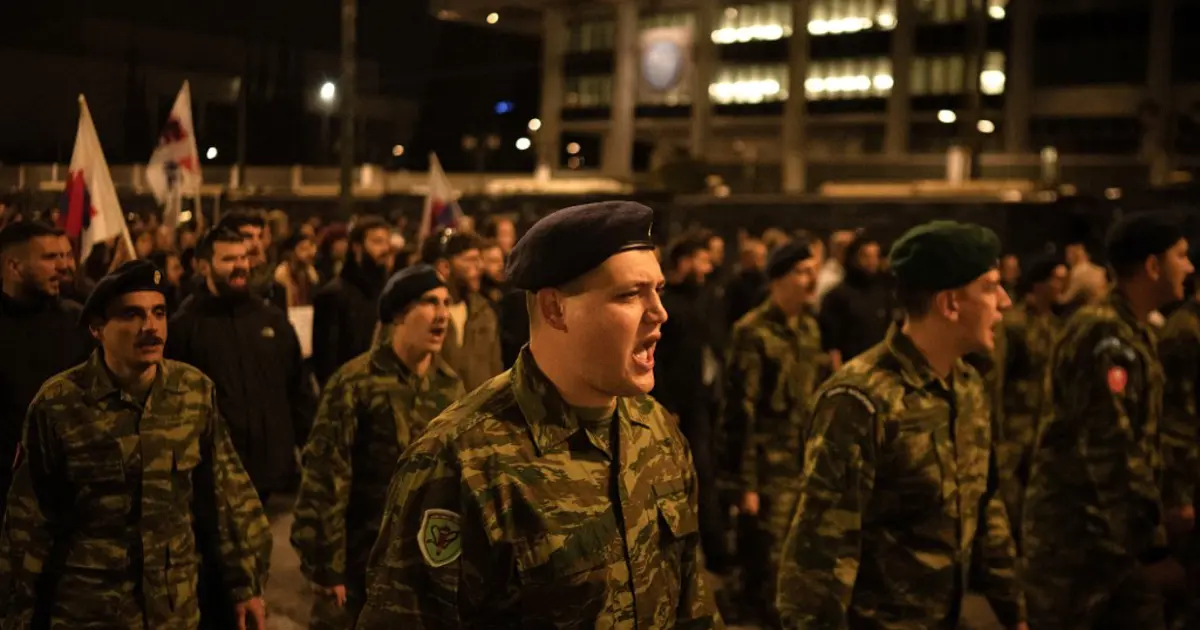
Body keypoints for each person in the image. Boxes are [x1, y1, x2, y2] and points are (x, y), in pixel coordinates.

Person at [355, 201, 722, 628]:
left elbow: (692, 602)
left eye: (657, 290)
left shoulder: (656, 430)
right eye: (629, 294)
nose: (659, 313)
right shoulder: (460, 461)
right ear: (555, 309)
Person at [776, 220, 1024, 630]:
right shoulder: (860, 399)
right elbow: (818, 556)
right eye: (990, 286)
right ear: (950, 304)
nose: (1005, 301)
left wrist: (1013, 612)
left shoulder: (966, 387)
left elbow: (985, 505)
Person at [0, 260, 270, 629]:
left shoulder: (193, 391)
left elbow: (224, 492)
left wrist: (245, 584)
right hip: (91, 610)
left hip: (174, 609)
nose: (151, 328)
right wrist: (15, 614)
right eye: (132, 314)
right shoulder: (59, 403)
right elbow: (28, 521)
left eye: (159, 313)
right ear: (97, 328)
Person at [1023, 214, 1194, 629]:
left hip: (1109, 539)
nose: (1189, 268)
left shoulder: (1132, 331)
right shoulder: (1104, 334)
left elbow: (1147, 436)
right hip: (1080, 547)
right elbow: (1111, 448)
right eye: (1181, 256)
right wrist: (1152, 548)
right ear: (1153, 266)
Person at [291, 264, 465, 629]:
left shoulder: (449, 386)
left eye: (446, 303)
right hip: (360, 563)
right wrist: (326, 567)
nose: (442, 316)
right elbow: (325, 480)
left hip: (425, 564)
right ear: (399, 314)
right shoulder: (355, 382)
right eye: (430, 303)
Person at [166, 227, 315, 505]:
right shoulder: (185, 326)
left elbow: (298, 389)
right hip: (210, 477)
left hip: (268, 474)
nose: (239, 266)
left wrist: (308, 448)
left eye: (243, 258)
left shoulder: (271, 320)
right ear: (203, 266)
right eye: (228, 259)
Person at [723, 238, 825, 626]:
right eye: (801, 272)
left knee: (799, 559)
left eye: (813, 271)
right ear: (778, 280)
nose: (810, 279)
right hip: (767, 468)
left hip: (802, 462)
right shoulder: (752, 333)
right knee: (767, 564)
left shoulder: (809, 329)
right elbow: (740, 413)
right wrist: (744, 483)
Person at [0, 222, 92, 519]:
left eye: (66, 255)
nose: (65, 266)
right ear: (14, 266)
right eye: (51, 257)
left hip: (68, 497)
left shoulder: (79, 324)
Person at [653, 233, 726, 573]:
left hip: (709, 400)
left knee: (710, 475)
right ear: (683, 263)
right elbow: (661, 359)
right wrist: (668, 402)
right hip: (682, 405)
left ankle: (715, 548)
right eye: (701, 259)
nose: (707, 266)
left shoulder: (709, 299)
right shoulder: (668, 305)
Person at [993, 255, 1065, 527]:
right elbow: (998, 378)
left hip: (1044, 425)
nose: (1062, 285)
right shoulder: (1014, 323)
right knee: (1010, 499)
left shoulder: (1057, 325)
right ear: (1039, 284)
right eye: (1056, 279)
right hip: (1015, 426)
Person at [312, 216, 393, 384]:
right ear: (357, 247)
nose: (385, 249)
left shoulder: (388, 293)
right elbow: (327, 363)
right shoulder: (333, 295)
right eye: (377, 242)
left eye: (387, 242)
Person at [420, 230, 502, 392]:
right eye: (470, 260)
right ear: (444, 267)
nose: (480, 267)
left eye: (479, 259)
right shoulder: (420, 314)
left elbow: (495, 372)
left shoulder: (484, 312)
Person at [818, 232, 893, 368]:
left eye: (875, 256)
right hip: (850, 369)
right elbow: (832, 344)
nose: (872, 262)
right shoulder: (837, 296)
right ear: (853, 258)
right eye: (866, 256)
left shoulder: (883, 292)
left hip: (879, 368)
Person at [218, 211, 288, 311]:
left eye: (260, 237)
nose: (256, 244)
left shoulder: (273, 289)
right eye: (247, 236)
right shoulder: (213, 290)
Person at [275, 232, 320, 307]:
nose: (309, 253)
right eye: (303, 249)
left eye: (309, 248)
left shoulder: (310, 271)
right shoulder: (282, 272)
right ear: (291, 252)